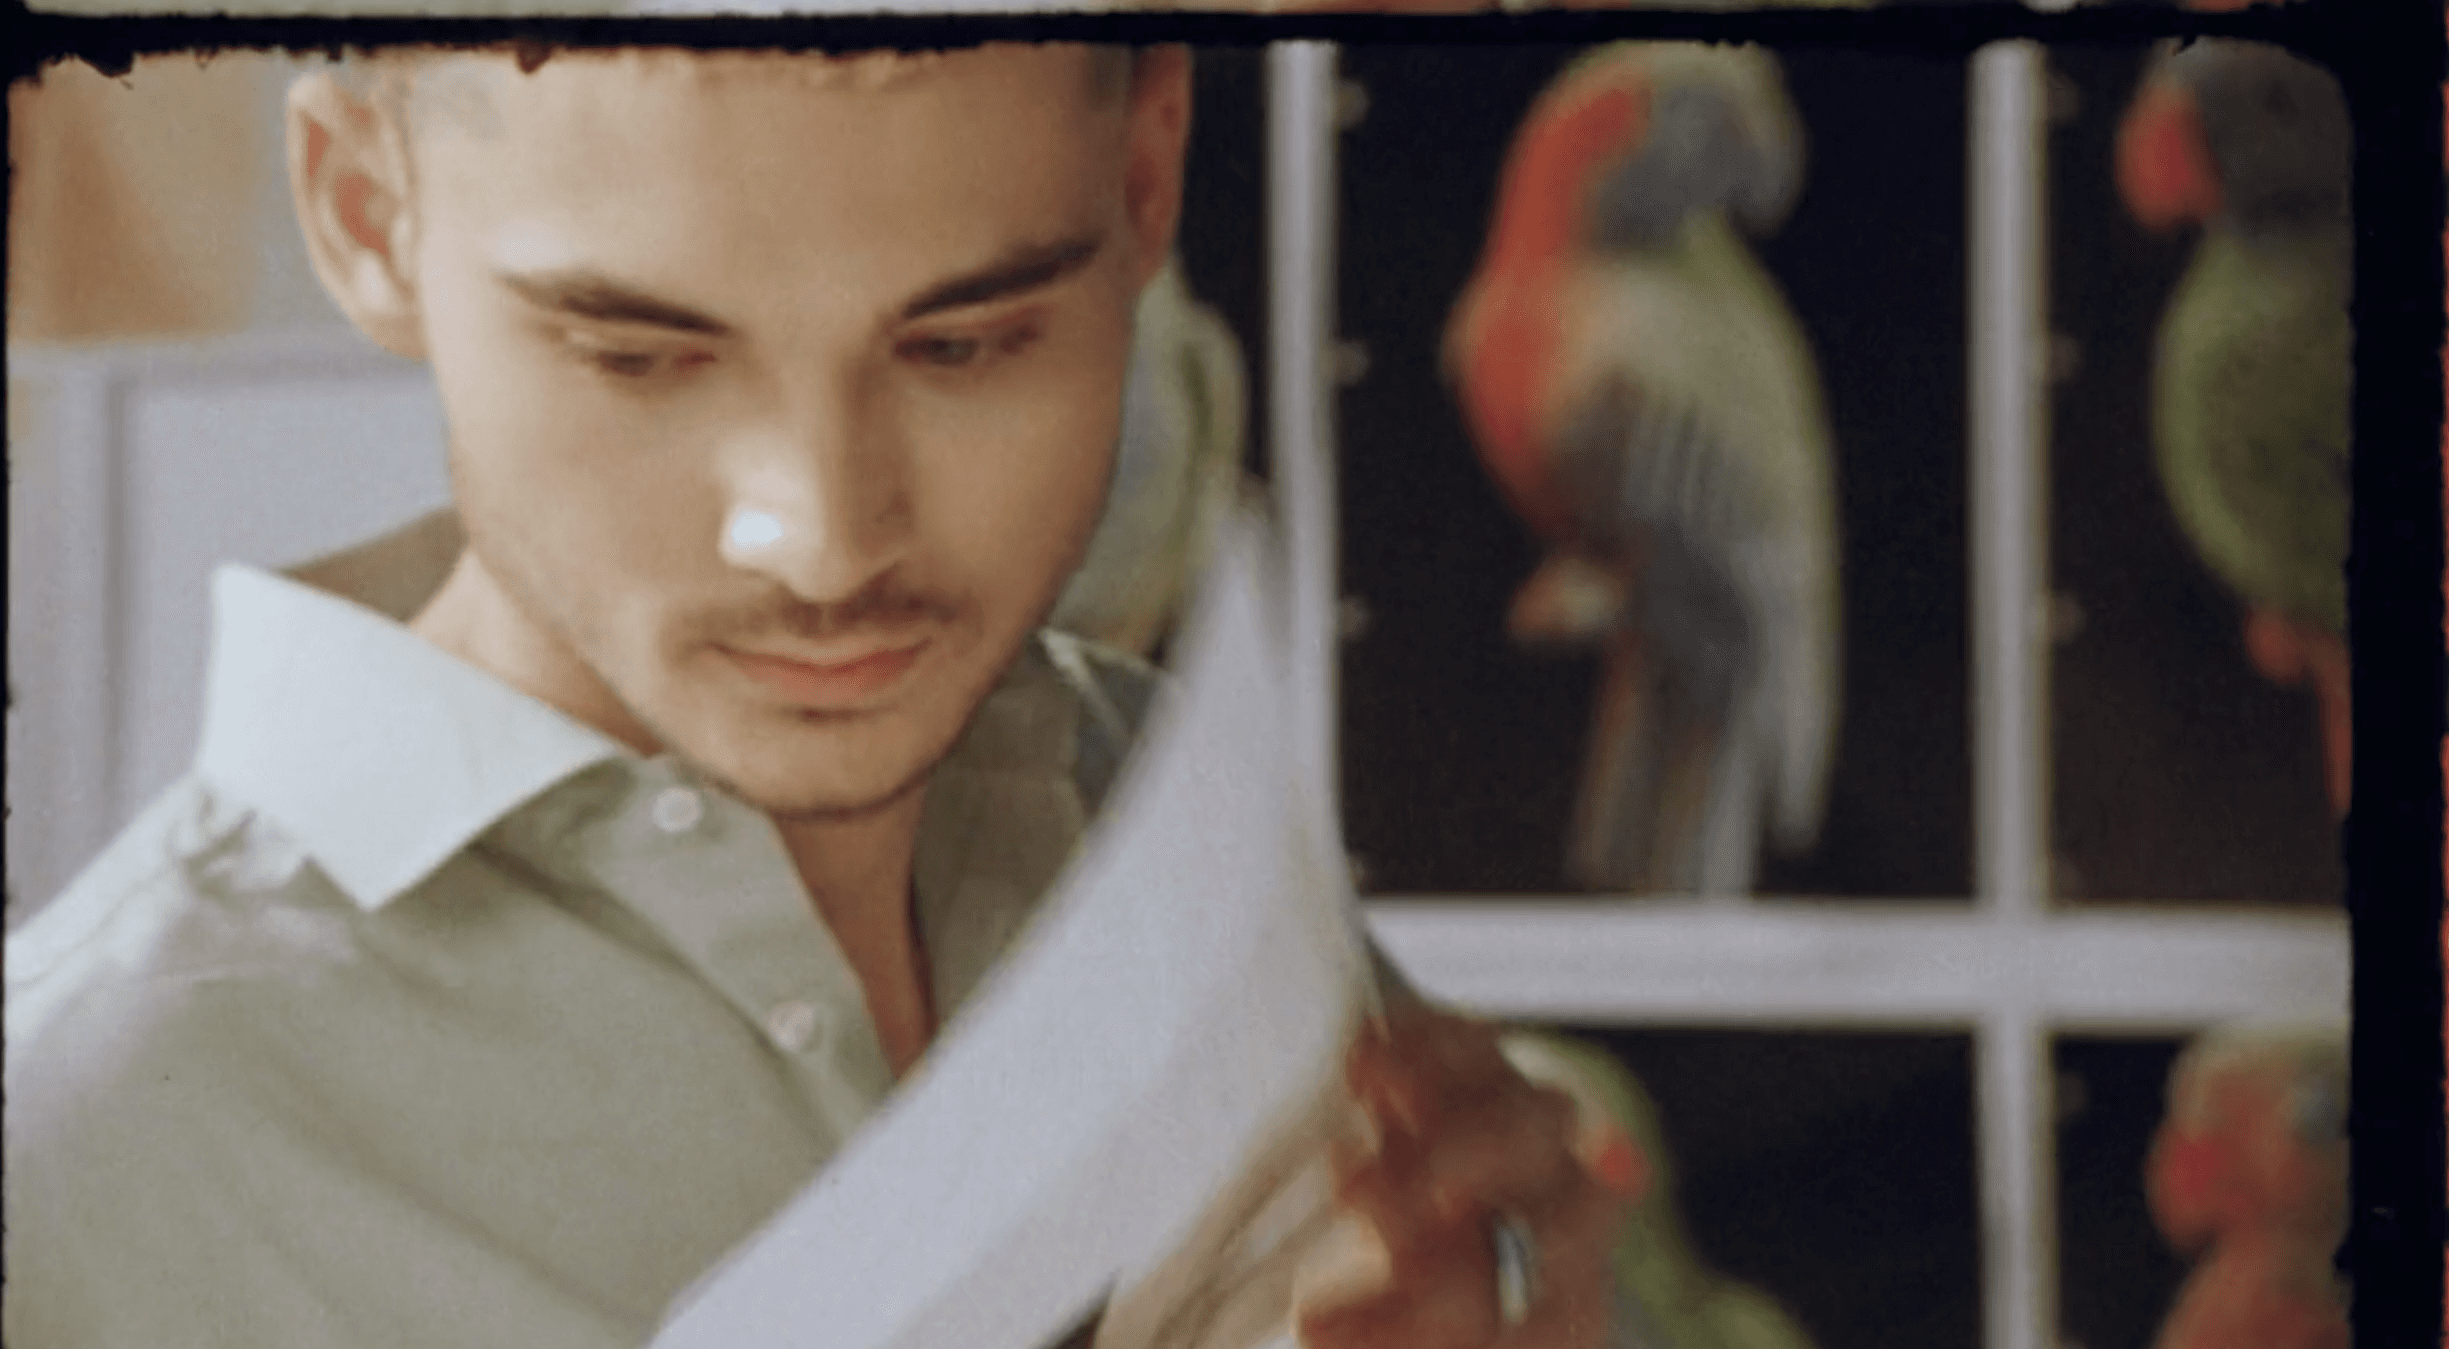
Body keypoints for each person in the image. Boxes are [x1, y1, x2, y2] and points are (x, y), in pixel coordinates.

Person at [4, 40, 1630, 1348]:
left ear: (1147, 175)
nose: (827, 542)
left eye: (967, 344)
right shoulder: (74, 1158)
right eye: (642, 356)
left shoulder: (1165, 829)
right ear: (367, 214)